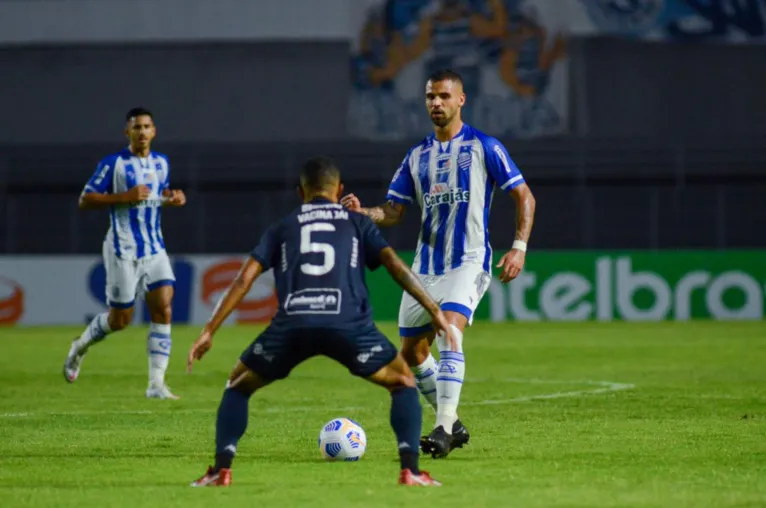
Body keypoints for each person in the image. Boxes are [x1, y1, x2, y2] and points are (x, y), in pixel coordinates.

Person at [187, 156, 453, 487]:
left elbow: (244, 280)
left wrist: (208, 330)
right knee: (402, 383)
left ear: (301, 192)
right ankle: (410, 471)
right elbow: (394, 265)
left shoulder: (283, 227)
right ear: (339, 189)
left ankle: (221, 471)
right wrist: (433, 309)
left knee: (237, 385)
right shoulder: (356, 222)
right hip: (349, 325)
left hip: (292, 326)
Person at [341, 68, 536, 458]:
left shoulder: (485, 146)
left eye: (444, 96)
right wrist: (366, 213)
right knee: (412, 353)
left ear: (461, 100)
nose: (436, 103)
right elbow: (394, 211)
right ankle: (454, 422)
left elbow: (525, 196)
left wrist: (518, 246)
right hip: (426, 267)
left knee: (450, 331)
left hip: (467, 260)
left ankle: (443, 428)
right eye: (431, 96)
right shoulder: (417, 156)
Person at [62, 107, 187, 400]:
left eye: (147, 127)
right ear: (127, 132)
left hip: (155, 248)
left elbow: (161, 193)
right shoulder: (113, 164)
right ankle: (78, 347)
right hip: (123, 249)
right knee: (121, 320)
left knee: (164, 308)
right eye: (136, 128)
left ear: (154, 131)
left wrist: (173, 197)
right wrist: (123, 197)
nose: (142, 132)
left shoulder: (161, 162)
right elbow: (85, 199)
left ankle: (156, 384)